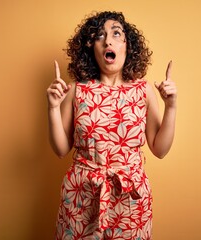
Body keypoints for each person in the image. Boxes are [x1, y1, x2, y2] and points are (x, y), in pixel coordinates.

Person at [47, 11, 177, 240]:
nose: (108, 40)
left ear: (129, 46)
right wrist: (53, 108)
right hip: (81, 196)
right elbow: (60, 150)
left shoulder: (144, 91)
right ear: (91, 48)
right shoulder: (76, 90)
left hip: (130, 200)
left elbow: (160, 149)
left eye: (116, 33)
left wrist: (171, 107)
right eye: (99, 35)